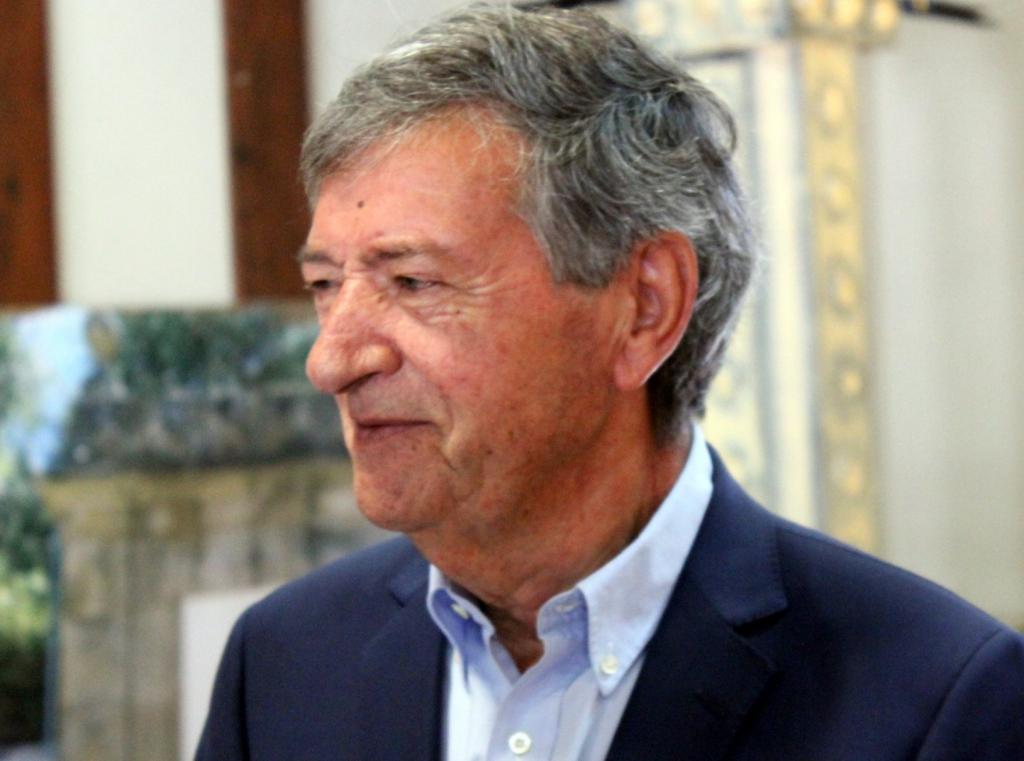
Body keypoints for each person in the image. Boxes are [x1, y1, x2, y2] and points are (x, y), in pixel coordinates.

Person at [196, 5, 1024, 760]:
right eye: (324, 285)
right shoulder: (282, 662)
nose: (331, 360)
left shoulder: (935, 702)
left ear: (643, 308)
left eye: (412, 282)